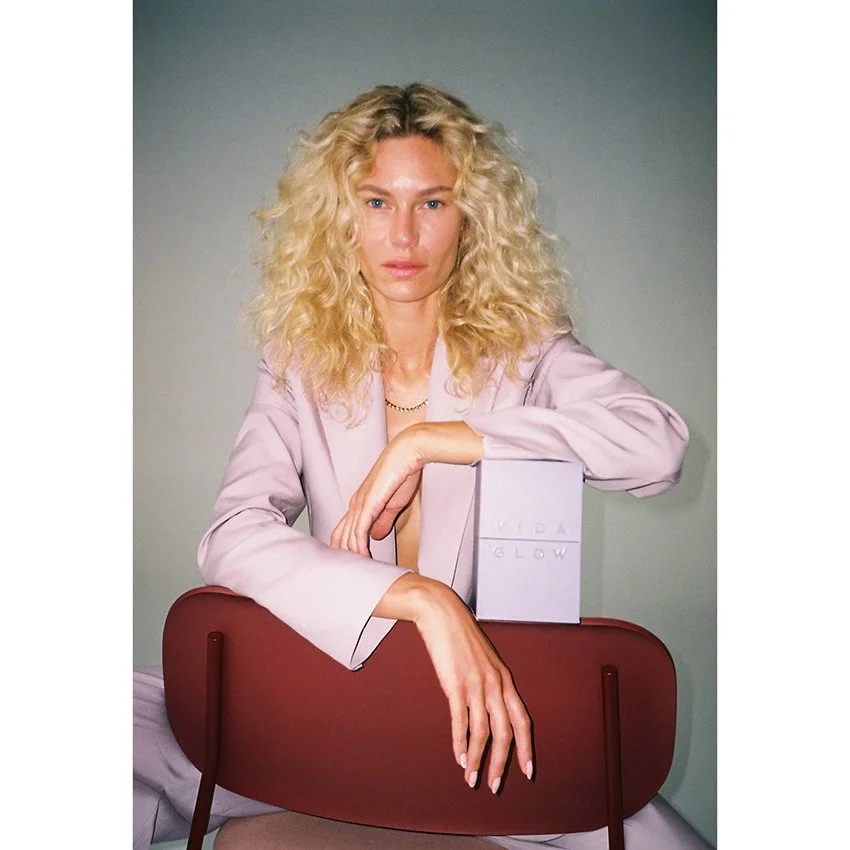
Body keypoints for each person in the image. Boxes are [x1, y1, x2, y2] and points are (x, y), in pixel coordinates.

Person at [134, 82, 710, 849]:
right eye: (377, 202)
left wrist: (438, 438)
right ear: (343, 218)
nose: (403, 233)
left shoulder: (526, 347)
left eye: (432, 202)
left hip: (469, 711)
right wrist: (423, 600)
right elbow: (232, 534)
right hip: (328, 690)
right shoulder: (297, 359)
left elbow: (657, 445)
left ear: (471, 218)